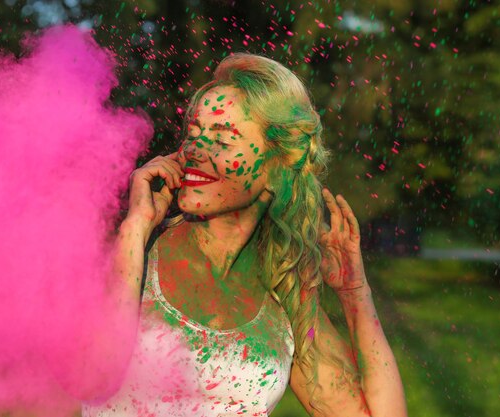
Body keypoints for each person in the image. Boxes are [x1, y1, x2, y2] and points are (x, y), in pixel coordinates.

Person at [83, 53, 407, 417]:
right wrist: (133, 231)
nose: (195, 150)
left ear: (278, 165)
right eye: (193, 133)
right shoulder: (130, 254)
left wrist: (354, 293)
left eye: (222, 138)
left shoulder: (285, 299)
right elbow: (94, 379)